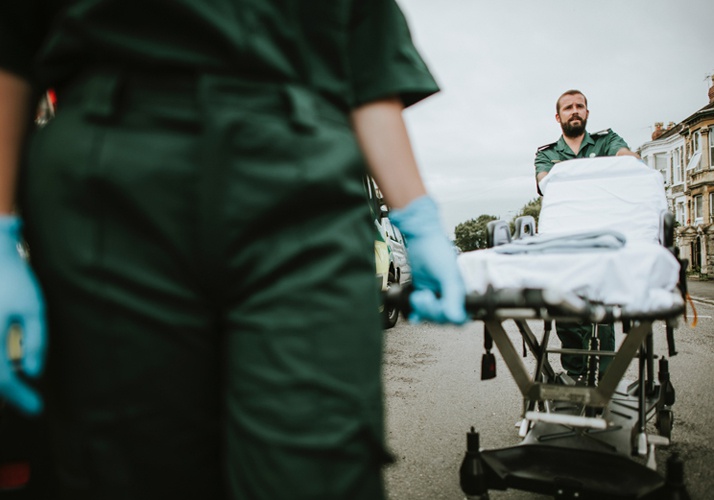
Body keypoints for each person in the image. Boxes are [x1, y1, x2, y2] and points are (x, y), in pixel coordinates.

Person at [0, 2, 467, 498]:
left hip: (301, 173)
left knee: (319, 466)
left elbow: (369, 65)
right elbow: (12, 43)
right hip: (112, 171)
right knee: (130, 466)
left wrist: (417, 217)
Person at [534, 89, 639, 381]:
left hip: (603, 240)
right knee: (566, 314)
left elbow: (630, 162)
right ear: (558, 117)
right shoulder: (547, 154)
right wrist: (600, 175)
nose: (575, 111)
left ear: (587, 113)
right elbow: (546, 184)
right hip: (564, 244)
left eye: (580, 106)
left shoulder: (607, 140)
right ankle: (575, 373)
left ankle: (603, 380)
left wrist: (625, 164)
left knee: (600, 315)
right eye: (568, 107)